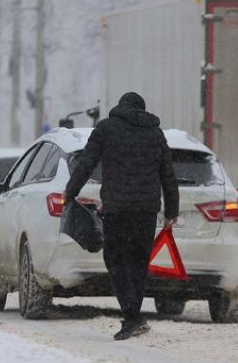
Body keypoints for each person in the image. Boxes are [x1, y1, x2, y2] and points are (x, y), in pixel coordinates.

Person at [65, 92, 179, 341]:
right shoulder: (155, 134)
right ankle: (133, 316)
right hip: (147, 210)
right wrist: (172, 211)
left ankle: (132, 316)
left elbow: (86, 163)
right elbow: (168, 175)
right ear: (142, 109)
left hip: (118, 208)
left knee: (115, 260)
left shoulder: (106, 128)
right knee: (138, 262)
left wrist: (70, 192)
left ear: (121, 107)